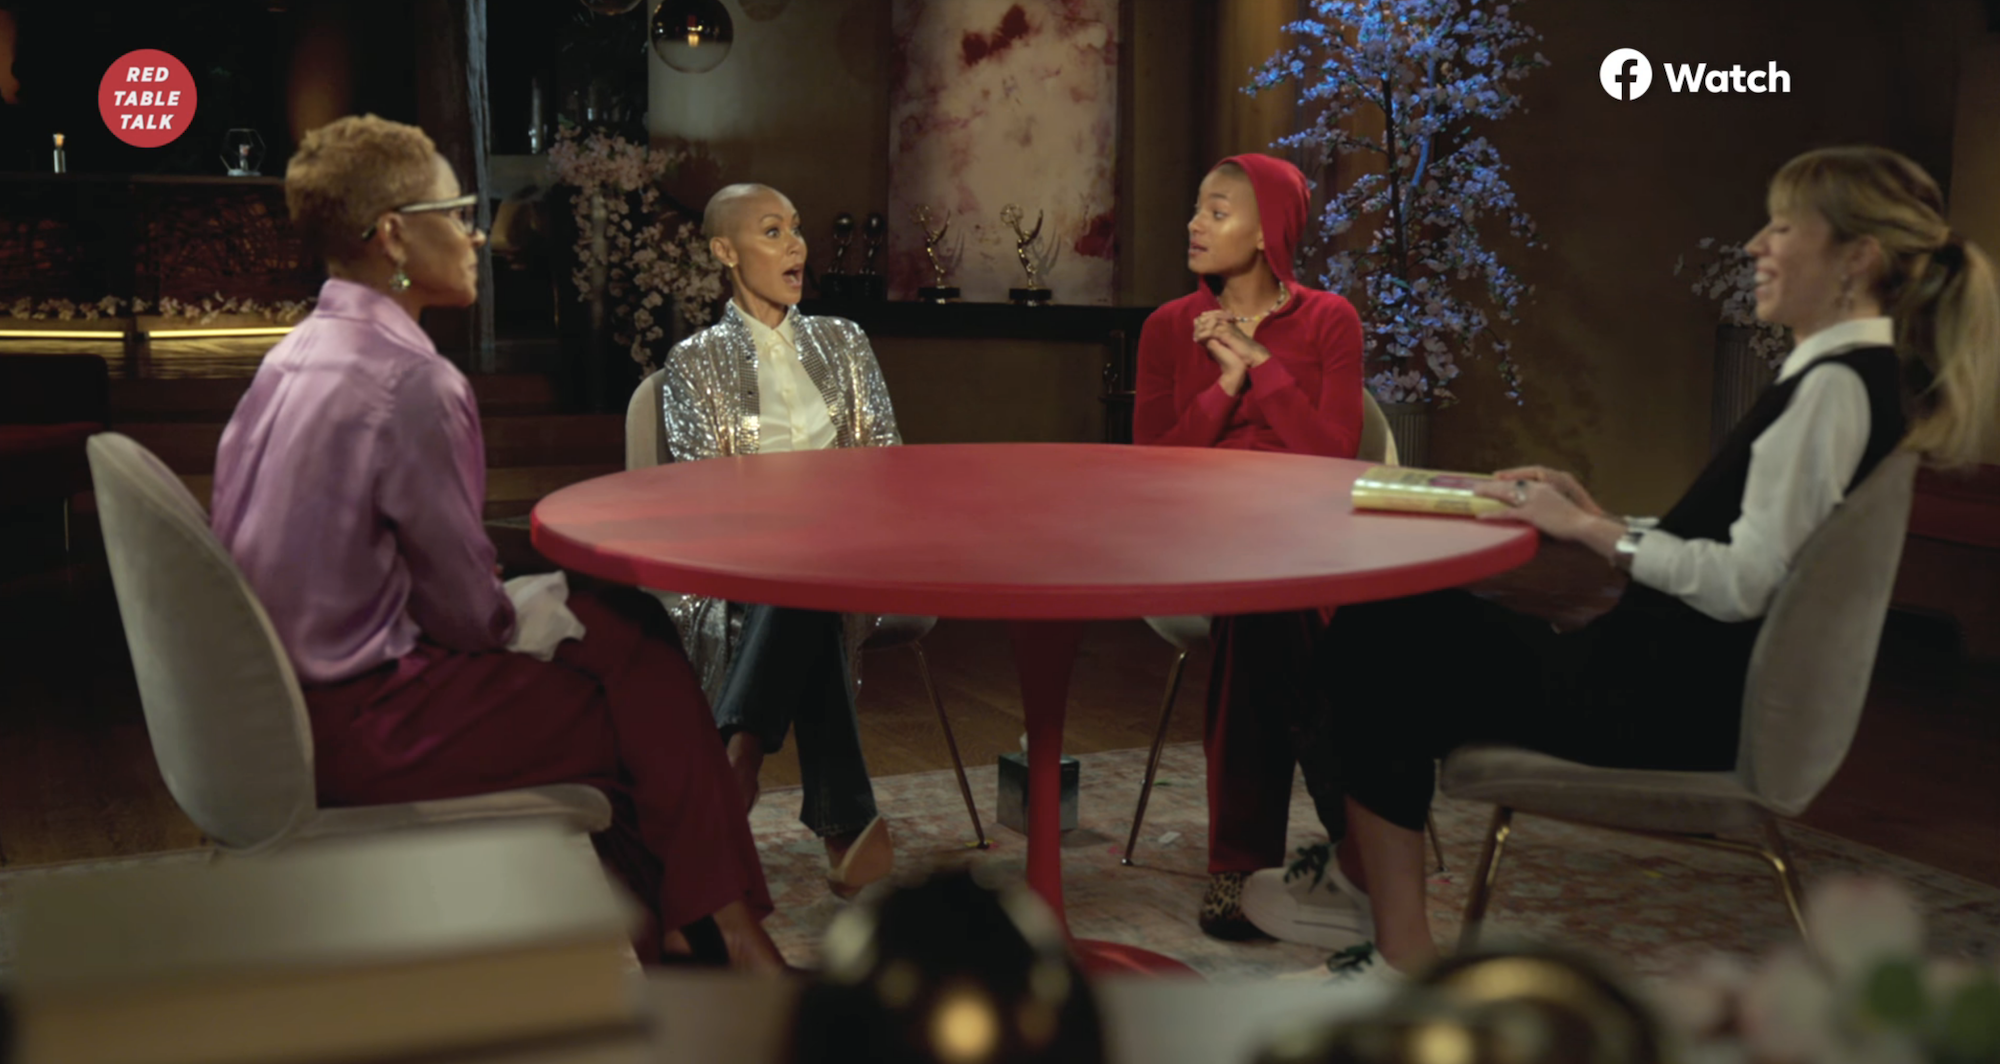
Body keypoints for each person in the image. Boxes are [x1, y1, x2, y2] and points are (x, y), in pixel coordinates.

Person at [1282, 146, 1999, 978]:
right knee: (1404, 623)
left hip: (1668, 704)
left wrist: (1588, 535)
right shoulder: (1855, 380)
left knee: (1385, 629)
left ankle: (1391, 940)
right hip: (1679, 683)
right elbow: (1748, 539)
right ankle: (1362, 893)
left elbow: (1745, 580)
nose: (1757, 245)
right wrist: (1596, 515)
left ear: (1856, 259)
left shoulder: (1835, 389)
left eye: (1782, 226)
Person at [210, 115, 786, 972]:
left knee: (629, 634)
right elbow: (467, 619)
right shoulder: (413, 381)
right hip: (364, 726)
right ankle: (721, 945)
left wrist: (531, 598)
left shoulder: (294, 355)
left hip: (272, 712)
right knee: (640, 709)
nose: (478, 229)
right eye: (457, 209)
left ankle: (698, 936)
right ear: (395, 233)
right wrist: (523, 603)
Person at [1132, 153, 1367, 939]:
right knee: (1269, 606)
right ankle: (1357, 850)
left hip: (1307, 535)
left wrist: (1260, 365)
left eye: (1218, 211)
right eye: (1196, 209)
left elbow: (1333, 456)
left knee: (1268, 614)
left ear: (1269, 233)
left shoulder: (1331, 318)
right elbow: (1151, 471)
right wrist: (1222, 383)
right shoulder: (1169, 327)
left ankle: (1239, 865)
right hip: (1204, 536)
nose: (1195, 224)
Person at [656, 182, 901, 897]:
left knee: (810, 576)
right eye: (771, 232)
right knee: (800, 584)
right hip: (742, 561)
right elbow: (700, 497)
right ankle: (844, 816)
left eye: (796, 228)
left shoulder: (845, 343)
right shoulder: (693, 362)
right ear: (725, 252)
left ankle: (740, 754)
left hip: (851, 553)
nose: (795, 245)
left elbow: (889, 465)